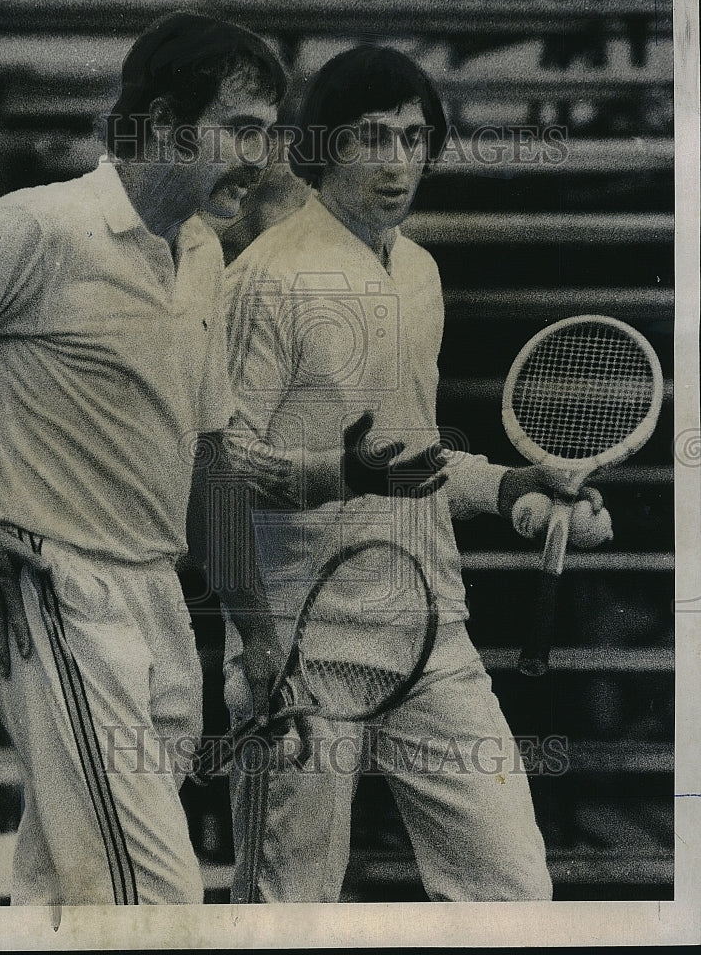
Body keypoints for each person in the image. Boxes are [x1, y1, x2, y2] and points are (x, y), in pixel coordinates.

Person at [0, 12, 304, 907]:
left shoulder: (204, 249)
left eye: (272, 133)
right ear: (168, 124)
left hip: (157, 602)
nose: (264, 157)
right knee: (155, 899)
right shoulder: (39, 227)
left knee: (67, 885)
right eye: (244, 128)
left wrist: (257, 630)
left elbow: (207, 454)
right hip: (53, 596)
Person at [219, 44, 612, 903]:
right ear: (322, 148)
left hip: (430, 635)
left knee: (511, 892)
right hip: (300, 649)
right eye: (371, 137)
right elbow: (217, 470)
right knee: (287, 914)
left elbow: (414, 457)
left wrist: (510, 489)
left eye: (412, 137)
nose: (397, 162)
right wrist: (339, 475)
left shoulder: (420, 272)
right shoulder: (265, 278)